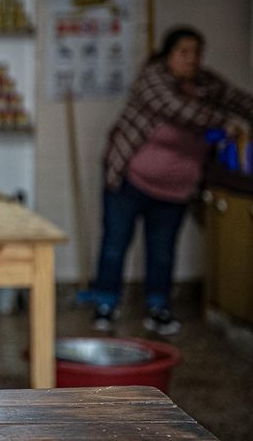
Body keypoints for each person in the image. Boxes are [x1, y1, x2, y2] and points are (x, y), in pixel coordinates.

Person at [85, 26, 253, 335]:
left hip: (176, 189)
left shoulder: (207, 84)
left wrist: (241, 116)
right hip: (129, 180)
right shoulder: (153, 79)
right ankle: (106, 303)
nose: (191, 59)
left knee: (162, 250)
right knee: (115, 245)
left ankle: (157, 308)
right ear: (168, 54)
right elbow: (181, 111)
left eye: (196, 53)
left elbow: (238, 100)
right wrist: (225, 121)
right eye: (183, 52)